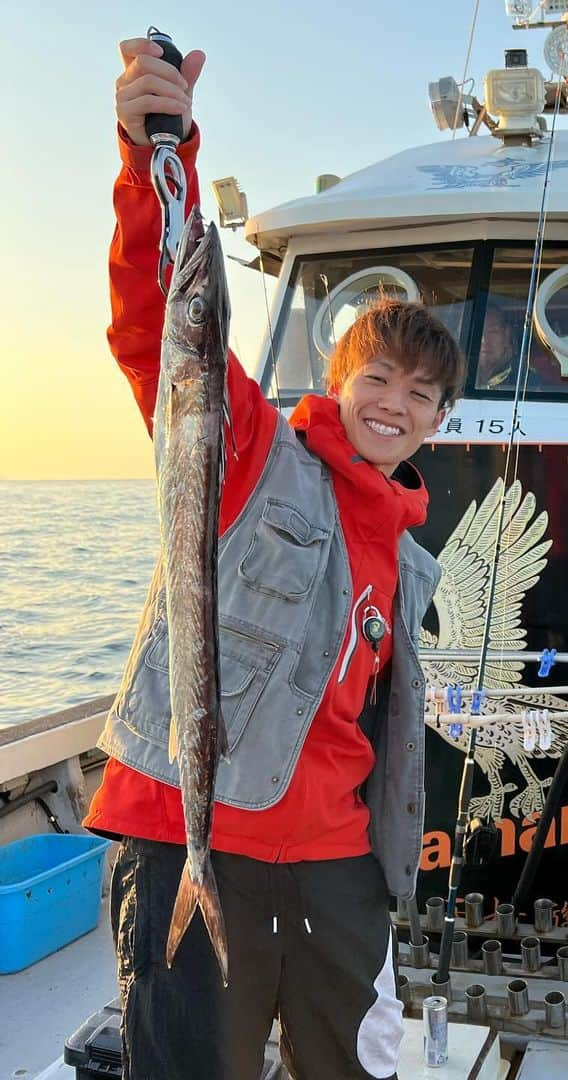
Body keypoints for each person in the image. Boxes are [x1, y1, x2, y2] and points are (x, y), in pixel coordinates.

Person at [83, 37, 466, 1080]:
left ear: (440, 419)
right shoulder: (254, 454)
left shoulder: (408, 556)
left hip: (337, 864)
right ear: (336, 381)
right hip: (194, 832)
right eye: (377, 377)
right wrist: (153, 154)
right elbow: (157, 326)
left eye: (422, 394)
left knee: (348, 1068)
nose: (396, 404)